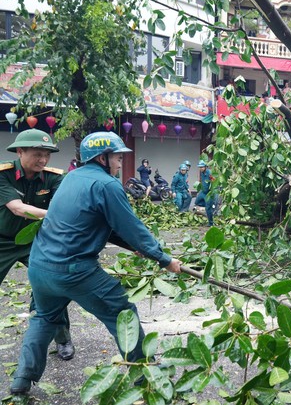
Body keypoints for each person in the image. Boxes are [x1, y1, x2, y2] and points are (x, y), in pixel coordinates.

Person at [9, 131, 182, 396]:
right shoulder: (107, 185)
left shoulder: (71, 178)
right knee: (122, 313)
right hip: (75, 270)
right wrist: (165, 260)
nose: (120, 162)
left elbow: (104, 224)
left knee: (44, 318)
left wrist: (136, 248)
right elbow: (132, 227)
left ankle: (21, 380)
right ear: (102, 157)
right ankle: (145, 375)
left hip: (40, 267)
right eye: (116, 157)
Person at [0, 129, 75, 361]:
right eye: (37, 154)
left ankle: (62, 339)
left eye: (47, 155)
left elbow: (66, 204)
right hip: (2, 239)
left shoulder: (54, 177)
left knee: (52, 287)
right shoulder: (4, 174)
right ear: (20, 151)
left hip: (36, 242)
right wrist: (56, 217)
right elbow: (18, 208)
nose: (43, 160)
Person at [194, 160, 216, 226]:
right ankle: (209, 206)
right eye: (200, 167)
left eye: (202, 167)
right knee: (197, 202)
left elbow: (214, 182)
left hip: (209, 193)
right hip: (203, 191)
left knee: (208, 209)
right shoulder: (202, 173)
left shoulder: (209, 173)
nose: (200, 168)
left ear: (205, 167)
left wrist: (212, 190)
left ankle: (210, 223)